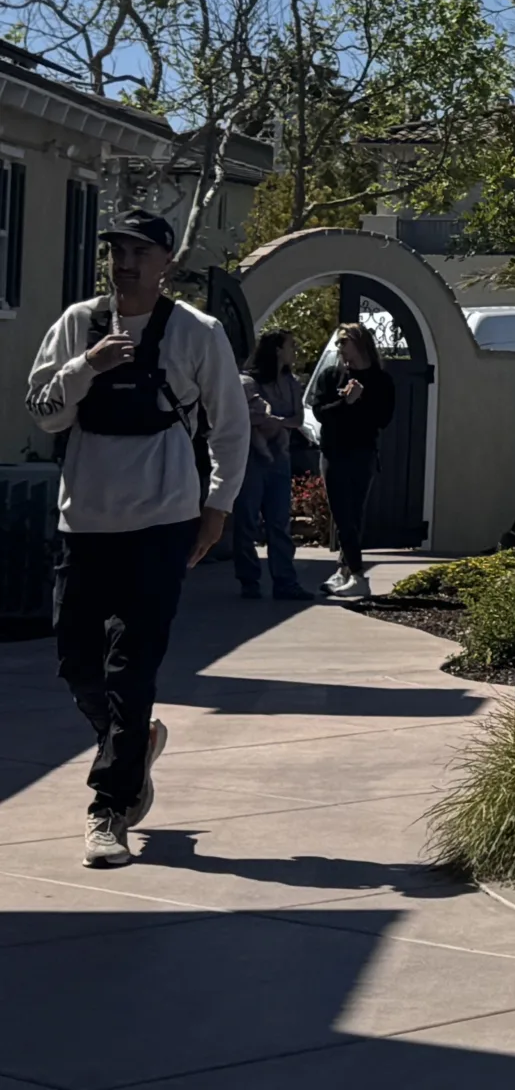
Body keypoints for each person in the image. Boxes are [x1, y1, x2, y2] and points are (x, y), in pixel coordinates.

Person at [28, 209, 251, 869]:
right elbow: (43, 414)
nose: (124, 264)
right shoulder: (78, 324)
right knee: (77, 663)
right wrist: (86, 366)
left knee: (132, 669)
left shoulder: (197, 333)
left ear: (165, 263)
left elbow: (230, 426)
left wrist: (217, 507)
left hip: (162, 523)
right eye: (116, 252)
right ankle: (136, 741)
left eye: (138, 253)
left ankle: (111, 808)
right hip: (84, 523)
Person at [310, 322, 396, 600]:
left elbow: (383, 419)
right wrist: (344, 402)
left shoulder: (381, 380)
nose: (339, 347)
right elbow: (320, 412)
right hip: (333, 453)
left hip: (362, 453)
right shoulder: (331, 375)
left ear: (360, 343)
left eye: (343, 341)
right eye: (338, 342)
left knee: (353, 516)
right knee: (342, 515)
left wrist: (360, 400)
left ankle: (348, 572)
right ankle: (354, 573)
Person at [233, 330, 313, 602]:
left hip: (280, 459)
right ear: (277, 349)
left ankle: (285, 582)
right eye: (291, 346)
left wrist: (276, 422)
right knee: (247, 521)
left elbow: (297, 419)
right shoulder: (248, 381)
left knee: (279, 523)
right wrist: (274, 421)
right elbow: (248, 416)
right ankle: (249, 580)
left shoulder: (291, 383)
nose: (295, 351)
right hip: (251, 460)